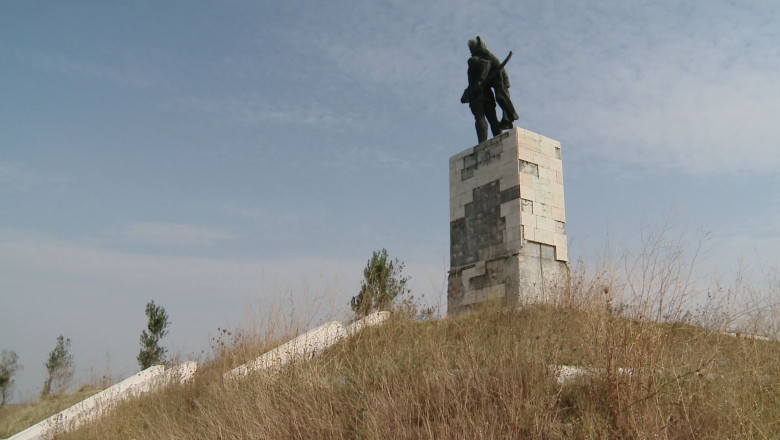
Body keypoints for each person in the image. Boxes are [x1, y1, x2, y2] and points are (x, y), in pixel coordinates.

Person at [467, 36, 518, 130]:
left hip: (499, 79)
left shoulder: (481, 55)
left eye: (471, 49)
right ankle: (507, 119)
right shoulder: (481, 56)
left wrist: (480, 81)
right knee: (500, 100)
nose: (470, 51)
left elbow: (487, 65)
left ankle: (510, 116)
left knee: (501, 97)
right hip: (495, 80)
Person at [461, 56, 502, 143]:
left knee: (481, 117)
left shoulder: (472, 60)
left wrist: (480, 80)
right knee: (492, 118)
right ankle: (499, 138)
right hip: (484, 92)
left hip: (477, 95)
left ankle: (483, 143)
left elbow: (486, 63)